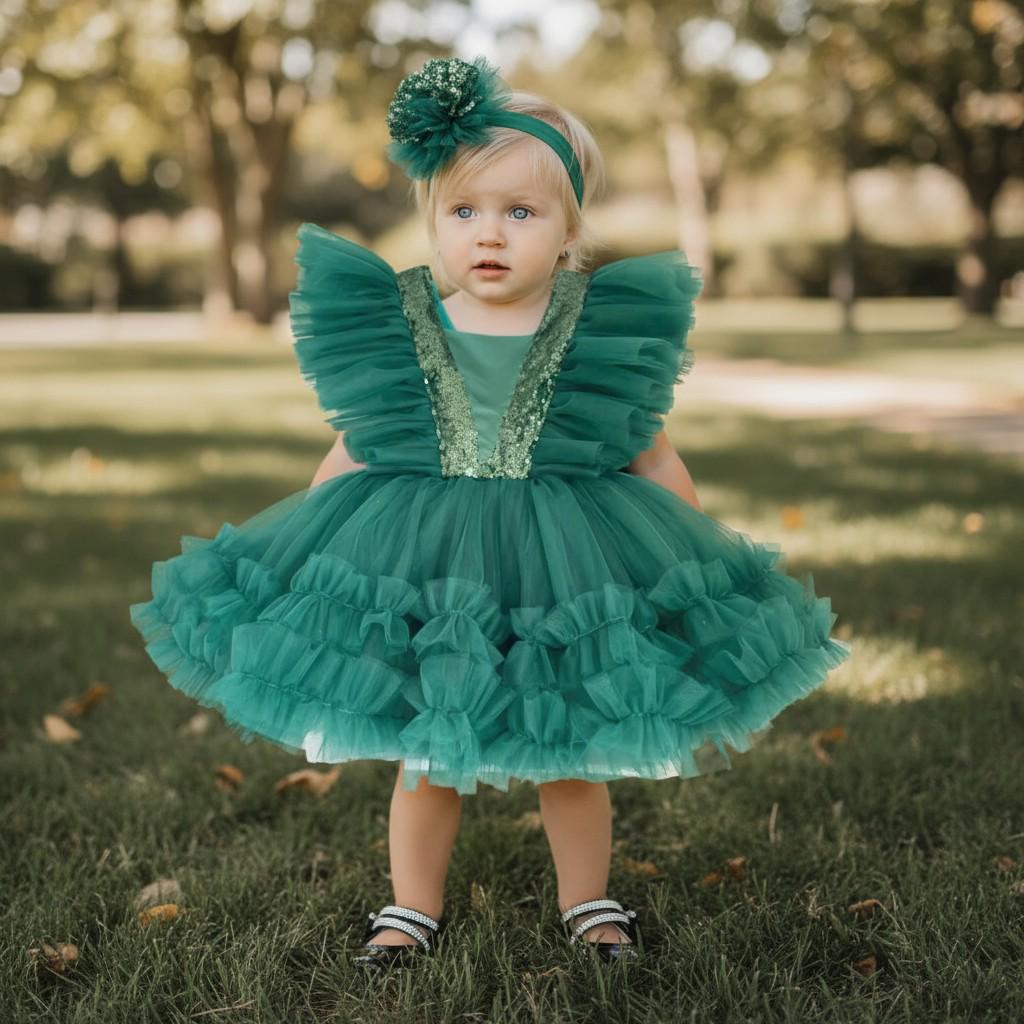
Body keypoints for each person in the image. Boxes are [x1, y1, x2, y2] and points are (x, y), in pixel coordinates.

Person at [129, 56, 852, 973]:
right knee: (429, 748)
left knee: (569, 746)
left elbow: (650, 450)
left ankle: (589, 901)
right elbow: (360, 444)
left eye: (522, 212)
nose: (491, 235)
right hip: (423, 559)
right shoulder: (401, 324)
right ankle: (409, 908)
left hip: (568, 562)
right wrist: (305, 562)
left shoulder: (596, 330)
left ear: (567, 230)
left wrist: (689, 569)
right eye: (464, 212)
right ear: (433, 220)